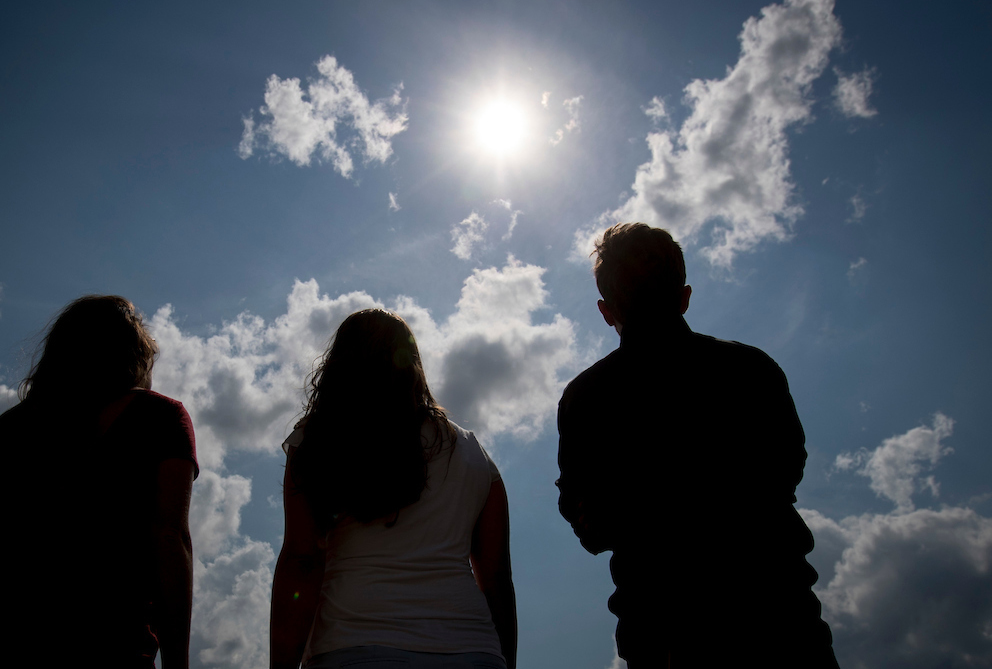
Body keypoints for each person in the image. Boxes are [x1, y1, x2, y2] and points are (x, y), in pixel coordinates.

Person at [555, 223, 838, 668]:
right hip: (780, 619)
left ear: (606, 311)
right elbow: (786, 472)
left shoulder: (587, 398)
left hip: (662, 631)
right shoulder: (752, 371)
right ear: (685, 296)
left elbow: (587, 523)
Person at [0, 295, 198, 669]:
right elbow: (170, 538)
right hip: (108, 643)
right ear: (135, 354)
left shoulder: (4, 432)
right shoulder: (160, 417)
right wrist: (178, 663)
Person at [270, 309, 517, 669]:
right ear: (413, 363)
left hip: (352, 648)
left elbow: (302, 560)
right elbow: (496, 579)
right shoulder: (471, 452)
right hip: (472, 651)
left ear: (339, 364)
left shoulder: (320, 440)